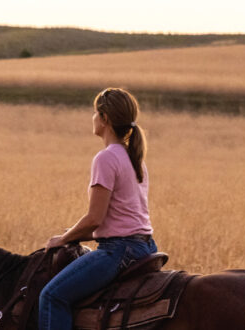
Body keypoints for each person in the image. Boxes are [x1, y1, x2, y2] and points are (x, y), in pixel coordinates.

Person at [38, 88, 158, 330]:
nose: (93, 118)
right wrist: (73, 234)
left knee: (51, 297)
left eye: (95, 113)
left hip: (118, 251)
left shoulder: (105, 158)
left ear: (105, 119)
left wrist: (62, 238)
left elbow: (95, 219)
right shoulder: (135, 160)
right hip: (146, 247)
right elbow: (109, 222)